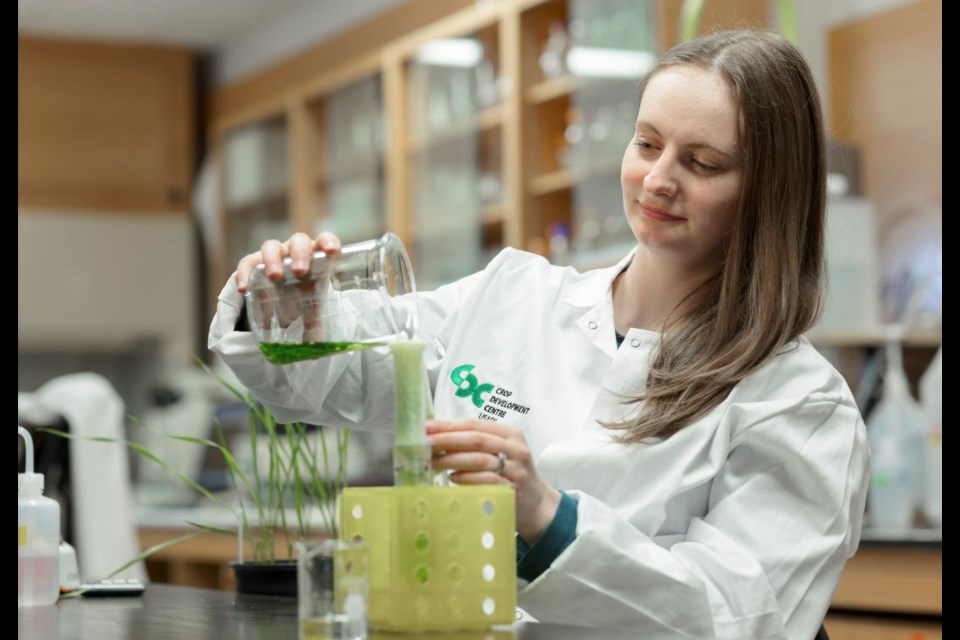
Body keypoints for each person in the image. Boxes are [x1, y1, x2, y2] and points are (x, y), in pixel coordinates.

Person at [210, 30, 868, 640]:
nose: (659, 179)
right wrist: (281, 305)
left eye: (703, 162)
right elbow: (313, 380)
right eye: (647, 144)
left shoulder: (797, 403)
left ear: (768, 193)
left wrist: (545, 517)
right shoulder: (513, 297)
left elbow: (733, 615)